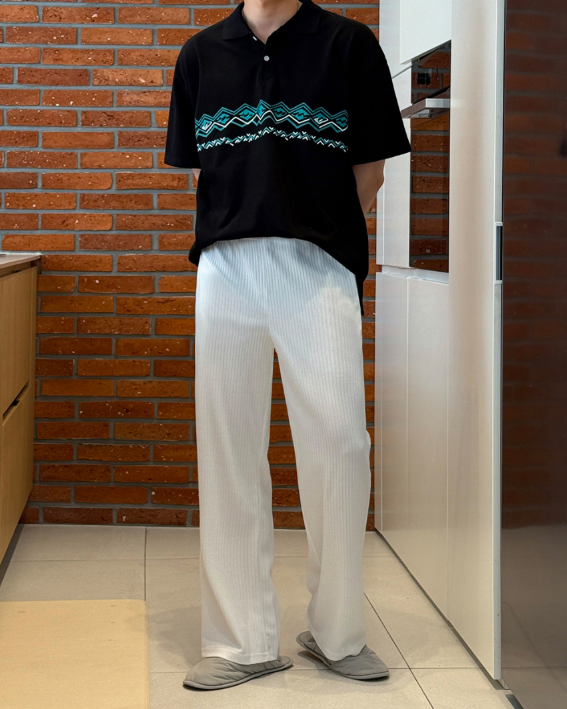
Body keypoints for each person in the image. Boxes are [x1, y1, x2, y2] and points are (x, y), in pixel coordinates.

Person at [164, 0, 411, 691]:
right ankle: (240, 641)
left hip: (319, 263)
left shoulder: (347, 45)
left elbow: (370, 169)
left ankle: (336, 632)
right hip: (226, 265)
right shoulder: (200, 54)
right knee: (228, 446)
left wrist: (315, 226)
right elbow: (200, 171)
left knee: (339, 444)